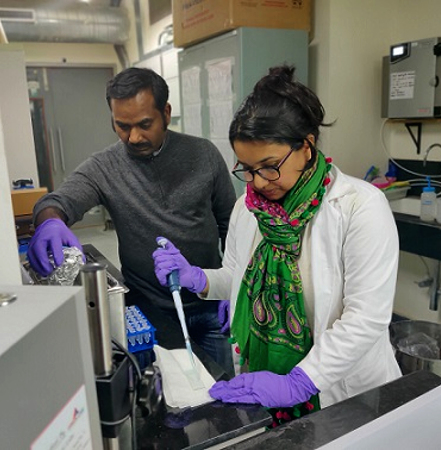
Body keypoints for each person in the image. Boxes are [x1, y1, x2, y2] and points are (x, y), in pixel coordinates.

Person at [153, 65, 401, 424]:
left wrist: (300, 382)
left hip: (345, 394)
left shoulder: (359, 207)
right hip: (267, 384)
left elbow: (366, 319)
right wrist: (198, 279)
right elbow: (237, 277)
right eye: (247, 169)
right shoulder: (248, 208)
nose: (257, 182)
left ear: (306, 146)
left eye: (269, 166)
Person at [27, 67, 237, 375]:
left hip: (210, 304)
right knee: (170, 401)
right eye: (122, 126)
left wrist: (236, 288)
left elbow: (231, 227)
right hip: (150, 312)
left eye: (144, 124)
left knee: (223, 395)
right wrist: (50, 221)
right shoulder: (105, 167)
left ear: (166, 112)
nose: (133, 137)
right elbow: (59, 201)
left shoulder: (203, 155)